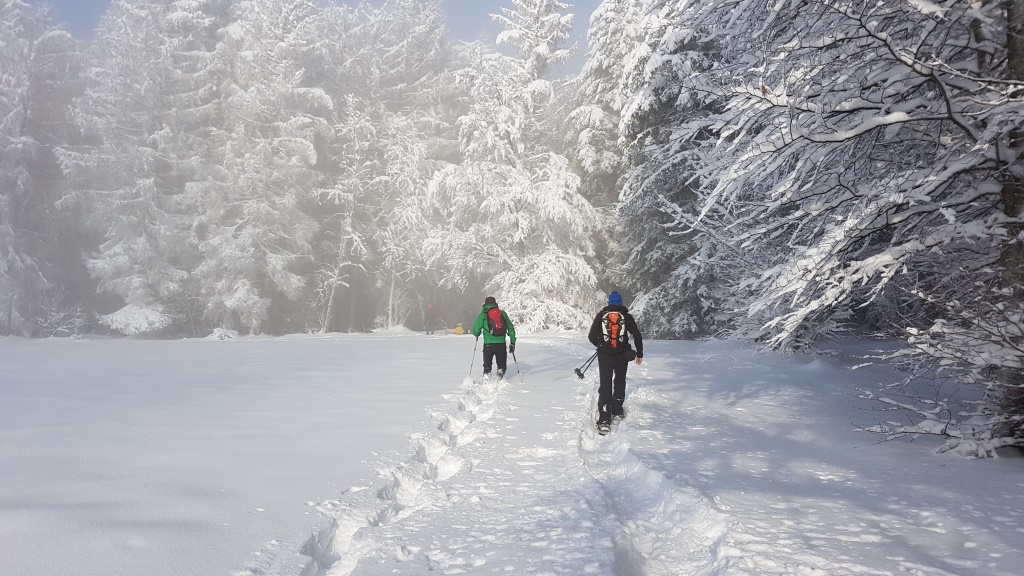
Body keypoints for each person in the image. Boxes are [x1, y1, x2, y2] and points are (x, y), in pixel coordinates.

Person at [587, 290, 643, 433]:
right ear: (620, 303)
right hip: (622, 356)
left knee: (605, 385)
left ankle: (604, 421)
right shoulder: (626, 316)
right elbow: (637, 335)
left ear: (609, 302)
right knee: (619, 382)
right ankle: (617, 412)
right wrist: (639, 354)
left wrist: (601, 346)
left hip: (604, 357)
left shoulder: (601, 316)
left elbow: (591, 336)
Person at [472, 296, 516, 379]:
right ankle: (499, 378)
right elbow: (510, 328)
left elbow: (475, 331)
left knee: (487, 366)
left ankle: (487, 377)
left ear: (485, 305)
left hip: (488, 344)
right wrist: (512, 342)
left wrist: (478, 334)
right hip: (501, 344)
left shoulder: (483, 315)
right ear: (495, 304)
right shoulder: (502, 313)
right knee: (501, 365)